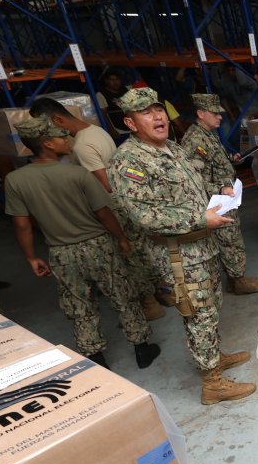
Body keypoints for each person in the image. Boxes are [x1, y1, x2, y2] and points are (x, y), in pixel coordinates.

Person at [108, 87, 256, 405]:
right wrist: (201, 218)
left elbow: (195, 184)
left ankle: (212, 357)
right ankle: (212, 383)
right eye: (146, 113)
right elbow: (145, 215)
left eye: (158, 109)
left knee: (210, 307)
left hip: (201, 247)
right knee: (198, 314)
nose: (157, 116)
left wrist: (222, 188)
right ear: (130, 123)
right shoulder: (128, 163)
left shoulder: (172, 149)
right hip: (179, 255)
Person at [5, 117, 160, 370]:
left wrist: (31, 257)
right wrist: (121, 238)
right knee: (123, 296)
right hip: (99, 246)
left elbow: (21, 224)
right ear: (47, 144)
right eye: (61, 137)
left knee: (79, 305)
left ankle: (96, 358)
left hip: (61, 252)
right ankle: (142, 349)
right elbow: (103, 213)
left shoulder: (15, 180)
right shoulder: (77, 173)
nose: (68, 139)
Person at [29, 96, 166, 321]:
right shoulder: (96, 130)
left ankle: (149, 303)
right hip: (128, 202)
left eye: (44, 127)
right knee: (143, 250)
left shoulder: (81, 146)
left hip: (115, 207)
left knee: (130, 257)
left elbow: (105, 184)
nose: (43, 133)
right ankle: (163, 293)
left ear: (57, 120)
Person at [181, 94, 258, 296]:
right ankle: (238, 281)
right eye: (214, 113)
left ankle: (234, 278)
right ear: (201, 113)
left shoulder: (208, 133)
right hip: (216, 201)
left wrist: (232, 160)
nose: (220, 117)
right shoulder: (194, 140)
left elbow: (212, 161)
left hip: (225, 197)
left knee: (230, 237)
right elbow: (193, 178)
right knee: (229, 239)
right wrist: (219, 189)